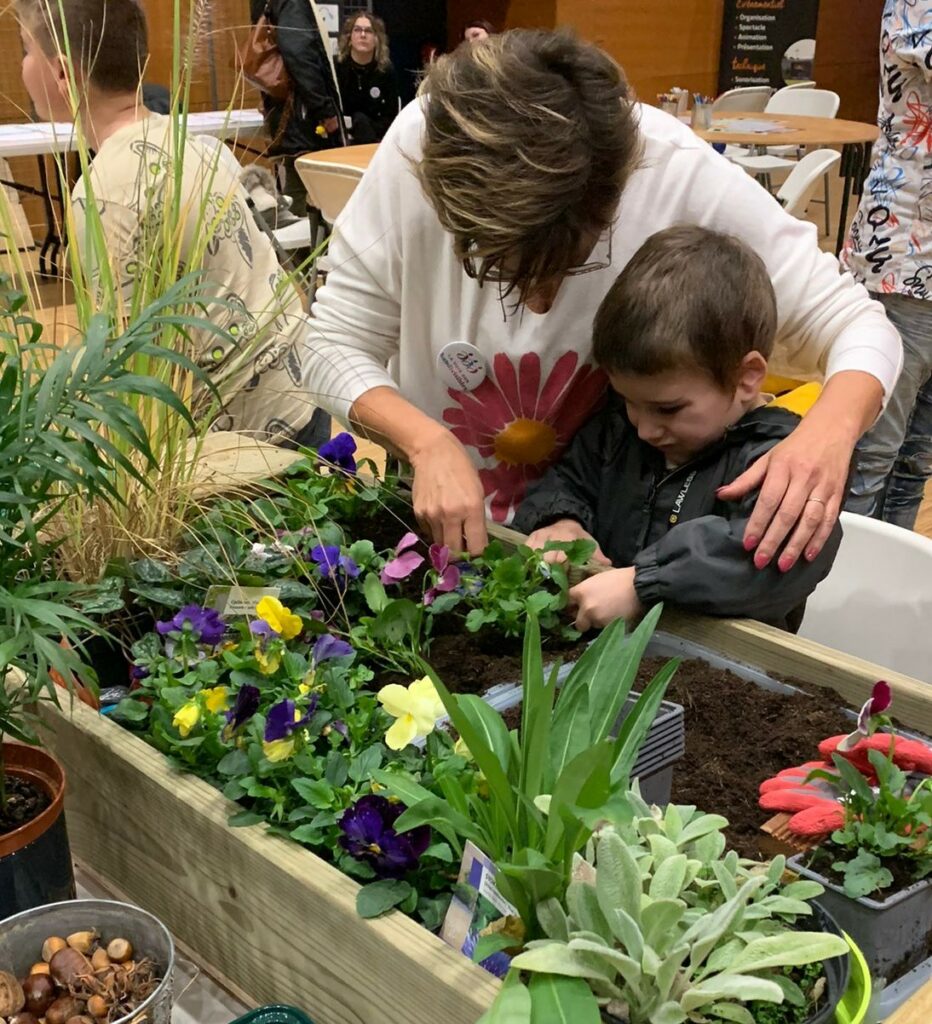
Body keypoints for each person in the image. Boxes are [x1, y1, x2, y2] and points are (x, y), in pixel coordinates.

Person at [304, 30, 901, 572]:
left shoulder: (673, 170)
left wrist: (828, 433)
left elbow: (858, 326)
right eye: (501, 267)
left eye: (564, 265)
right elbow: (328, 341)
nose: (537, 303)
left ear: (611, 192)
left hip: (611, 557)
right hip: (449, 543)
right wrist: (423, 439)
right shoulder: (422, 151)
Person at [18, 0, 329, 448]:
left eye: (26, 50)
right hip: (302, 392)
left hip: (248, 440)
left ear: (62, 72)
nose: (21, 65)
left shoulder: (104, 191)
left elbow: (129, 365)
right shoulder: (192, 143)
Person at [514, 226, 841, 632]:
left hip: (722, 669)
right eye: (629, 402)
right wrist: (560, 521)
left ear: (746, 378)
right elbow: (568, 480)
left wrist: (643, 585)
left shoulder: (778, 459)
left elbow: (773, 561)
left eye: (667, 409)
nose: (645, 429)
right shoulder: (618, 430)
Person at [841, 0, 932, 531]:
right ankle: (834, 585)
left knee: (917, 455)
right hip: (903, 255)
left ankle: (885, 574)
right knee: (873, 453)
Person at [249, 0, 342, 216]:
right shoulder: (292, 3)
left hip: (291, 108)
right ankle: (301, 246)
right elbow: (300, 55)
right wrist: (324, 109)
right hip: (302, 111)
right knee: (304, 182)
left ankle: (299, 244)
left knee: (299, 176)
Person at [336, 13, 399, 144]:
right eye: (357, 30)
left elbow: (391, 117)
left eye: (369, 31)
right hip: (340, 137)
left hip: (375, 139)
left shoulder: (386, 71)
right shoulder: (337, 67)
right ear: (349, 38)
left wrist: (365, 126)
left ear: (377, 39)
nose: (363, 35)